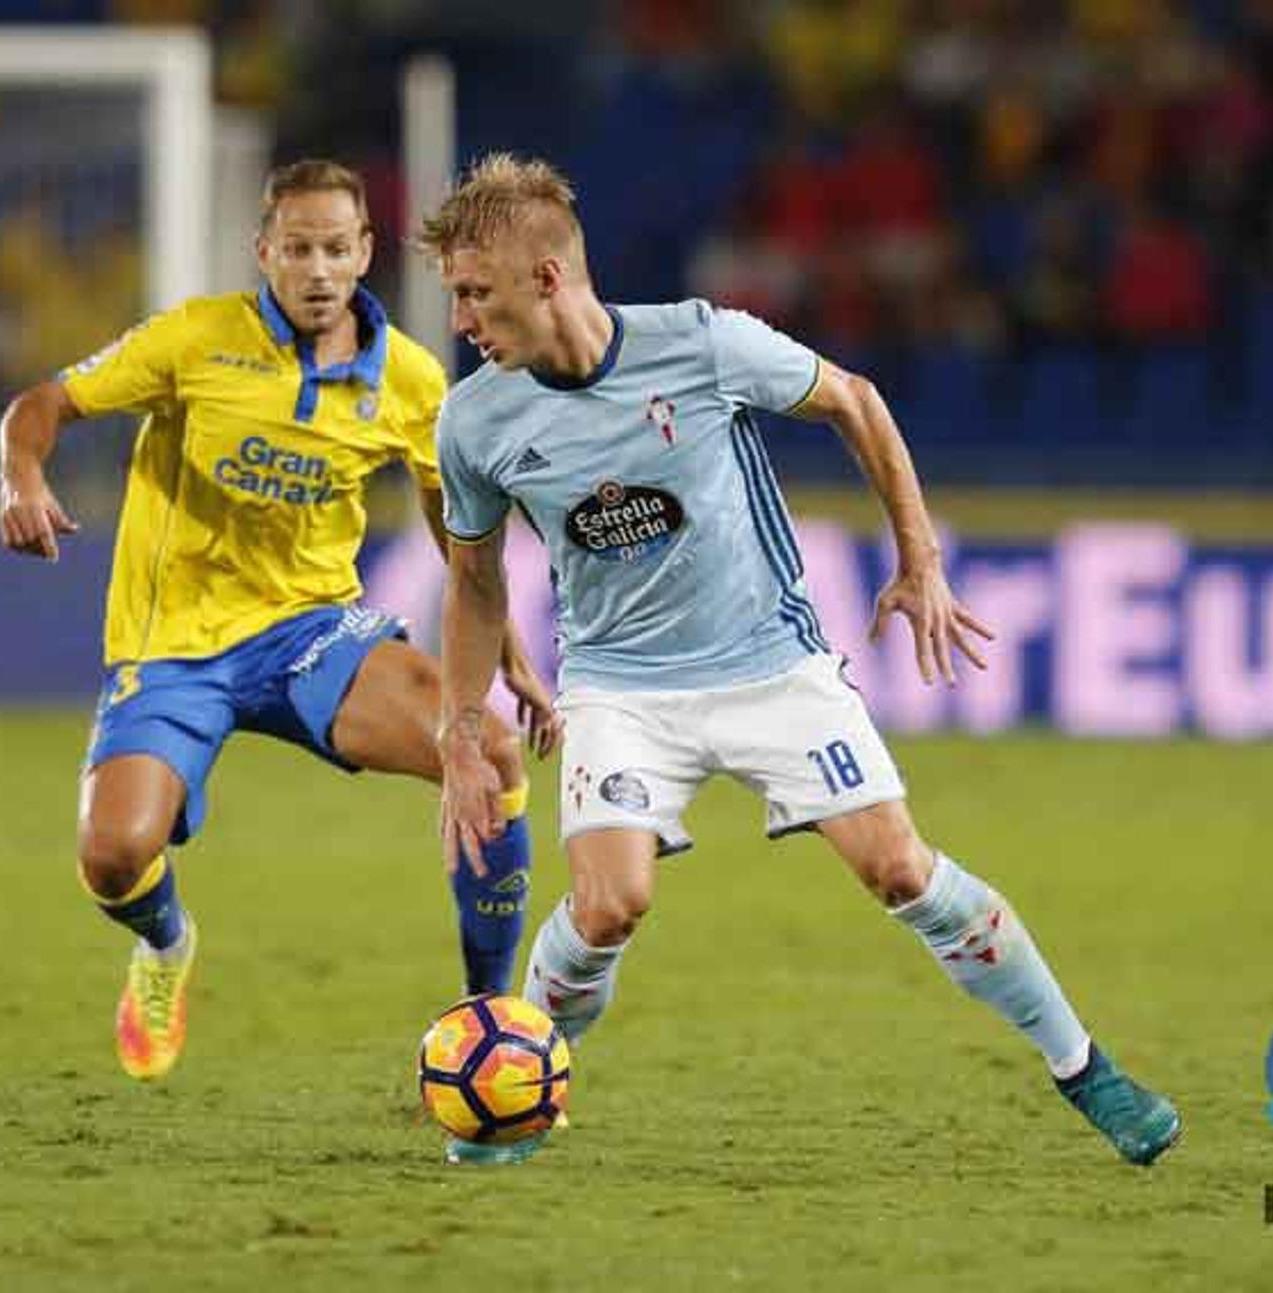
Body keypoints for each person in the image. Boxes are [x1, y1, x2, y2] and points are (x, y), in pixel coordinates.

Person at [419, 154, 1178, 1167]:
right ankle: (513, 1097)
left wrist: (921, 558)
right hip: (619, 687)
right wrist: (462, 727)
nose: (462, 319)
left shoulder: (703, 344)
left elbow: (855, 401)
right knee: (609, 904)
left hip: (771, 665)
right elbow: (474, 582)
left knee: (899, 868)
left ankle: (1088, 1070)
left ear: (548, 278)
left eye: (475, 293)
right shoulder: (476, 418)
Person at [0, 159, 558, 1084]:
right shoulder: (195, 340)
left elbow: (463, 542)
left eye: (337, 248)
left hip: (312, 635)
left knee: (490, 753)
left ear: (366, 252)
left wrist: (515, 660)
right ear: (265, 252)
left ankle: (489, 1024)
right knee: (113, 854)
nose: (318, 269)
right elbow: (41, 406)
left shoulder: (413, 384)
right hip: (173, 643)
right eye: (297, 249)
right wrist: (22, 476)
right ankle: (167, 948)